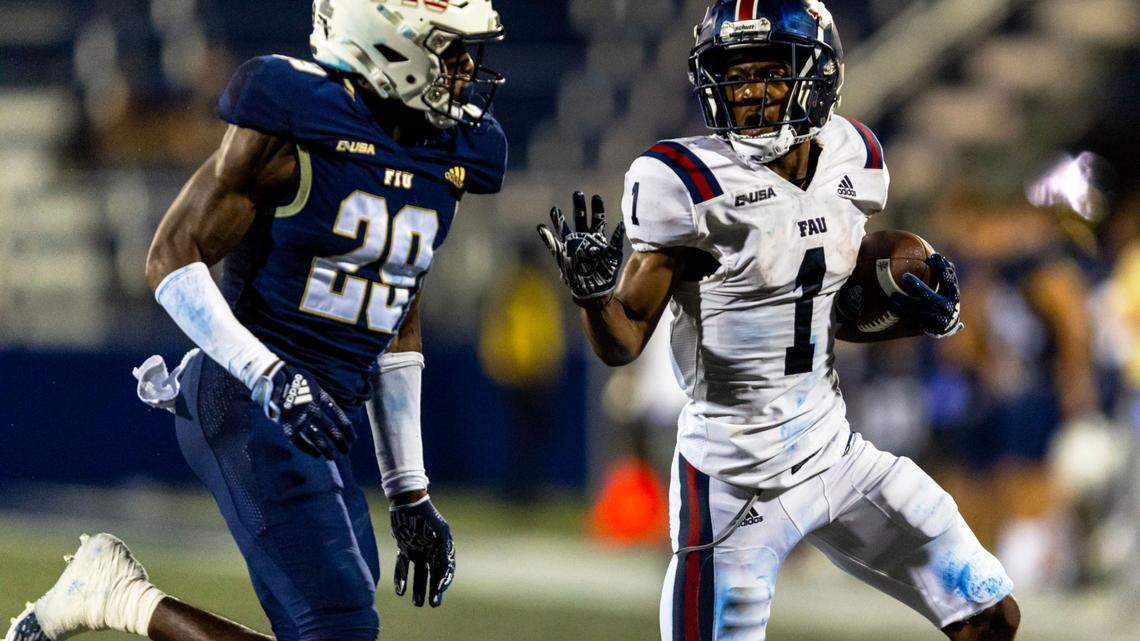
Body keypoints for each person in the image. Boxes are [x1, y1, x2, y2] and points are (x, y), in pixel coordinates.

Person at [6, 1, 507, 640]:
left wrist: (409, 489)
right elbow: (169, 257)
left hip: (324, 420)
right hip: (245, 395)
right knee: (339, 631)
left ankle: (107, 588)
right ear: (392, 44)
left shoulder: (452, 152)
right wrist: (269, 376)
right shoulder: (298, 118)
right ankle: (114, 595)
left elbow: (398, 313)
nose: (466, 71)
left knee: (330, 629)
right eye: (450, 50)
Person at [537, 2, 1020, 639]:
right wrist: (594, 296)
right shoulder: (684, 182)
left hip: (834, 455)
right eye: (733, 75)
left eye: (769, 70)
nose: (749, 91)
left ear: (820, 75)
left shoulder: (857, 157)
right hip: (733, 482)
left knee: (988, 613)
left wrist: (913, 308)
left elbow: (829, 304)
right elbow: (622, 340)